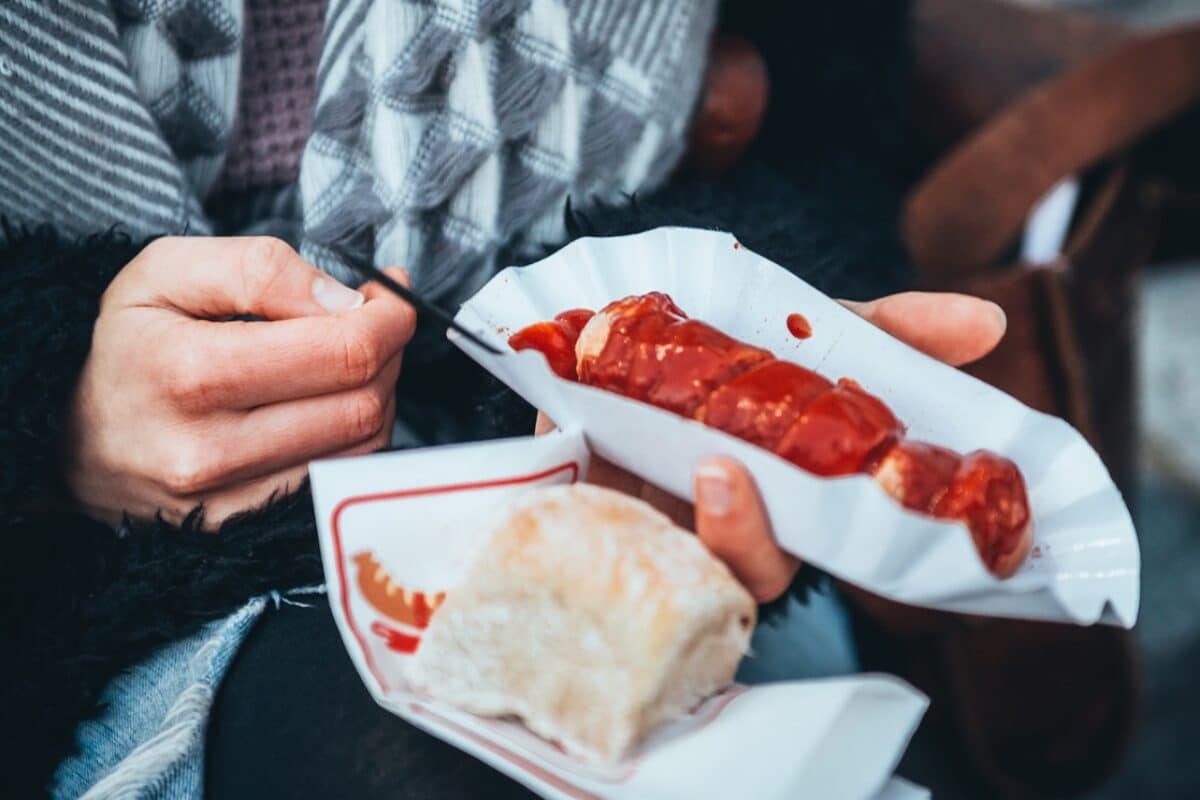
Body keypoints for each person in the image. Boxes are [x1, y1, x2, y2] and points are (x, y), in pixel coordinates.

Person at [1, 2, 1000, 797]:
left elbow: (833, 138)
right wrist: (50, 402)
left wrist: (687, 340)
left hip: (664, 520)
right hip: (87, 577)